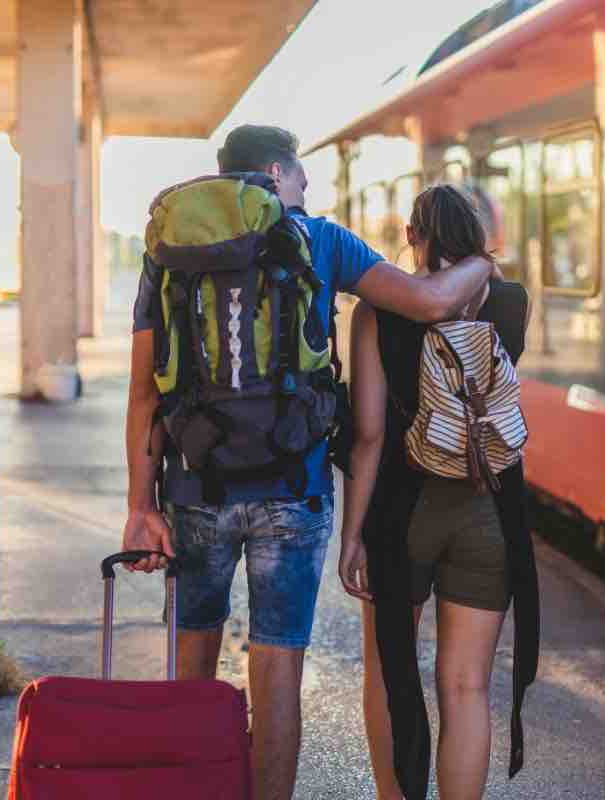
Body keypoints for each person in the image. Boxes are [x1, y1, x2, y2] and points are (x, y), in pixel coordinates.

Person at [121, 125, 495, 800]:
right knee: (277, 673)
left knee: (191, 667)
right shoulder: (318, 238)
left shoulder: (169, 246)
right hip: (292, 491)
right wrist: (483, 264)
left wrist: (140, 507)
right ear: (276, 172)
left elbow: (145, 390)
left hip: (194, 488)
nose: (305, 192)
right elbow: (431, 300)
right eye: (301, 179)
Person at [338, 185, 540, 800]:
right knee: (466, 686)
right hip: (489, 506)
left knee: (389, 675)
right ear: (475, 237)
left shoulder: (377, 312)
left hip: (404, 510)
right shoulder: (509, 303)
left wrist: (353, 536)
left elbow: (369, 437)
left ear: (411, 235)